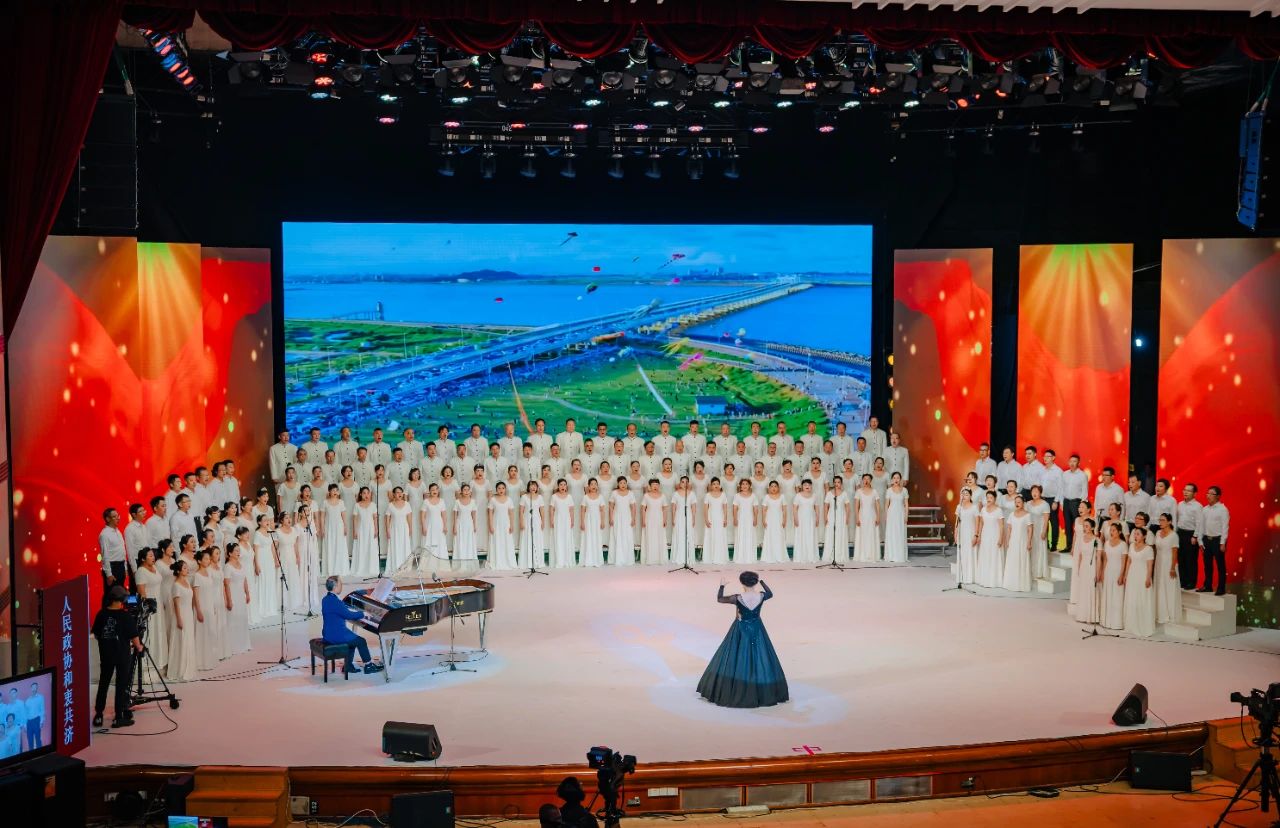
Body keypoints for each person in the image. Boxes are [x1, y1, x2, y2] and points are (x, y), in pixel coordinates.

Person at [697, 571, 788, 708]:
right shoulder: (761, 596)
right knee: (758, 655)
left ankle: (738, 687)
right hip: (757, 628)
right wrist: (762, 582)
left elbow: (720, 599)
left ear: (742, 583)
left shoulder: (738, 598)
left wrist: (722, 586)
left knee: (739, 655)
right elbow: (770, 593)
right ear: (755, 582)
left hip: (741, 629)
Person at [92, 585, 143, 728]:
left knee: (104, 683)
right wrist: (139, 647)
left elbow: (96, 634)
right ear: (122, 600)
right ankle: (118, 717)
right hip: (122, 656)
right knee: (121, 685)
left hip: (106, 656)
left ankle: (99, 715)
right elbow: (134, 637)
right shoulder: (125, 616)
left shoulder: (101, 614)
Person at [320, 576, 383, 675]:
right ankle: (368, 666)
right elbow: (349, 615)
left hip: (328, 633)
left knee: (353, 641)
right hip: (337, 635)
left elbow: (340, 610)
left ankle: (348, 666)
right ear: (335, 587)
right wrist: (363, 613)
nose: (342, 586)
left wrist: (364, 591)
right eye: (340, 584)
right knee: (361, 641)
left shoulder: (326, 599)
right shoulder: (335, 602)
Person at [1122, 528, 1156, 637]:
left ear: (1144, 536)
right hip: (1132, 575)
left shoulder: (1148, 549)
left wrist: (1148, 578)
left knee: (1142, 599)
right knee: (1132, 598)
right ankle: (1131, 625)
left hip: (1142, 576)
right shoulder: (1131, 546)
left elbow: (1150, 565)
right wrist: (1126, 575)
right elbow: (1129, 561)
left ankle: (1142, 625)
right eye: (1135, 534)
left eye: (1138, 534)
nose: (1135, 536)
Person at [1197, 485, 1229, 595]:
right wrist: (1200, 541)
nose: (1208, 495)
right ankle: (1208, 586)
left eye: (1211, 494)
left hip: (1218, 540)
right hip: (1206, 539)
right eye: (1208, 493)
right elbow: (1201, 526)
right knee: (1207, 565)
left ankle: (1221, 588)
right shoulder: (1205, 509)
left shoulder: (1223, 510)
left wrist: (1223, 542)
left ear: (1218, 496)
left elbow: (1225, 527)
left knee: (1220, 565)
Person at [1153, 513, 1182, 626]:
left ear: (1169, 522)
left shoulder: (1174, 535)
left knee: (1169, 588)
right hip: (1159, 563)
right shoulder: (1157, 533)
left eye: (1163, 520)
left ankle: (1170, 614)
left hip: (1169, 563)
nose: (1160, 522)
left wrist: (1172, 568)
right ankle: (1160, 613)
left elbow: (1175, 553)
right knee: (1160, 586)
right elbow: (1156, 550)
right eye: (1160, 520)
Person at [1098, 522, 1128, 630]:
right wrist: (1102, 572)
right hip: (1108, 571)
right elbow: (1105, 560)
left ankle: (1116, 623)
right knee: (1107, 594)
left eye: (1114, 530)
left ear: (1119, 532)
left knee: (1117, 596)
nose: (1111, 532)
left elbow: (1124, 562)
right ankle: (1106, 621)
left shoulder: (1123, 545)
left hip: (1117, 571)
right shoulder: (1106, 543)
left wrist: (1121, 575)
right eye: (1110, 530)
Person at [223, 543, 252, 654]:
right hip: (233, 595)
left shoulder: (241, 564)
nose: (238, 552)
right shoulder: (227, 567)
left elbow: (244, 579)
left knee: (242, 618)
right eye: (236, 551)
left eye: (239, 550)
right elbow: (226, 584)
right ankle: (233, 646)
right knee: (233, 619)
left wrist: (247, 593)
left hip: (241, 595)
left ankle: (244, 643)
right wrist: (229, 600)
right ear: (230, 553)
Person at [1001, 495, 1032, 592]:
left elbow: (1030, 529)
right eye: (1015, 502)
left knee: (1021, 560)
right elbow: (1009, 528)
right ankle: (1010, 583)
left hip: (1022, 541)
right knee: (1012, 561)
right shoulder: (1011, 514)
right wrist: (1007, 540)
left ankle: (1021, 585)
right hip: (1013, 541)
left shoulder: (1027, 515)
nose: (1017, 504)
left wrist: (1029, 542)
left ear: (1023, 503)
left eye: (1019, 502)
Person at [1174, 482, 1202, 590]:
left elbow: (1199, 523)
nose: (1185, 492)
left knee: (1191, 559)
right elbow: (1177, 520)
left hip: (1191, 534)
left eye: (1189, 491)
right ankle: (1182, 581)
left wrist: (1195, 536)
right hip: (1180, 533)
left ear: (1194, 493)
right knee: (1181, 558)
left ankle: (1191, 582)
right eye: (1184, 490)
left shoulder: (1198, 506)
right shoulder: (1180, 504)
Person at [975, 490, 1004, 588]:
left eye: (991, 498)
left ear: (995, 499)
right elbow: (981, 523)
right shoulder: (983, 510)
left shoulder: (999, 510)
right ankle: (984, 579)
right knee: (985, 555)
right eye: (987, 498)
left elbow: (1001, 526)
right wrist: (979, 535)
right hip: (985, 535)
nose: (989, 499)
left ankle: (994, 580)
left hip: (995, 535)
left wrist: (1000, 538)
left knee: (994, 556)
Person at [98, 507, 128, 598]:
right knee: (111, 595)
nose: (118, 518)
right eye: (114, 516)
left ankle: (121, 608)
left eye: (118, 516)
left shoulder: (118, 531)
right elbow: (105, 556)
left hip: (120, 566)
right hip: (112, 567)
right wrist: (109, 574)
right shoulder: (104, 534)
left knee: (120, 593)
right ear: (107, 519)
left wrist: (125, 567)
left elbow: (122, 551)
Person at [1061, 454, 1088, 553]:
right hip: (1066, 502)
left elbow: (1084, 492)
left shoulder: (1082, 475)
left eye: (1074, 461)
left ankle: (1079, 547)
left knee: (1078, 526)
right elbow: (1061, 489)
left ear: (1078, 463)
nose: (1072, 463)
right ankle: (1068, 546)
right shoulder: (1064, 474)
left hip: (1076, 503)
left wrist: (1082, 506)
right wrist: (1061, 503)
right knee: (1068, 525)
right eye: (1070, 461)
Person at [852, 475, 880, 563]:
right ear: (862, 480)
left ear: (871, 481)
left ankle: (871, 555)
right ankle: (862, 555)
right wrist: (857, 517)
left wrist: (878, 516)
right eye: (864, 479)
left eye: (868, 479)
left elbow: (877, 505)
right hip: (862, 515)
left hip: (872, 515)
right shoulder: (859, 491)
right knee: (862, 534)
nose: (866, 480)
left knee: (871, 534)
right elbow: (856, 506)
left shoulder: (874, 491)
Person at [578, 479, 605, 568]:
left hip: (597, 520)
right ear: (589, 487)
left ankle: (597, 559)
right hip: (588, 520)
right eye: (591, 484)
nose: (593, 486)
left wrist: (602, 521)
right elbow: (582, 510)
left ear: (597, 486)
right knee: (588, 538)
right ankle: (588, 559)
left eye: (595, 484)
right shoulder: (585, 497)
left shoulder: (600, 497)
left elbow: (602, 510)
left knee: (597, 538)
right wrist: (582, 522)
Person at [882, 473, 909, 563]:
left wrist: (906, 516)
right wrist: (886, 516)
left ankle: (900, 555)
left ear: (900, 479)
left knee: (900, 533)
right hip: (891, 514)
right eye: (894, 478)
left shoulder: (904, 490)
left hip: (901, 514)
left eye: (898, 478)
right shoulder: (889, 490)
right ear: (892, 480)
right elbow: (886, 504)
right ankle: (891, 555)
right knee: (891, 534)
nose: (896, 480)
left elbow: (906, 504)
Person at [608, 477, 635, 566]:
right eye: (621, 483)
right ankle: (617, 558)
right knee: (617, 536)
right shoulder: (614, 493)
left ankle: (627, 559)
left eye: (624, 483)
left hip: (627, 517)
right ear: (618, 484)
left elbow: (633, 507)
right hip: (617, 517)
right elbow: (611, 507)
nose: (623, 485)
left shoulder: (630, 493)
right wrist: (611, 518)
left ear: (626, 484)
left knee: (627, 536)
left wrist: (633, 518)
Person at [955, 488, 979, 584]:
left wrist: (976, 535)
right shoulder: (959, 507)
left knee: (970, 553)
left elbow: (977, 522)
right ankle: (962, 576)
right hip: (962, 533)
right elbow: (956, 522)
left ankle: (970, 577)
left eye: (966, 494)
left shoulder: (974, 507)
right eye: (963, 494)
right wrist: (956, 533)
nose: (964, 496)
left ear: (970, 496)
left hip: (971, 533)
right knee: (962, 553)